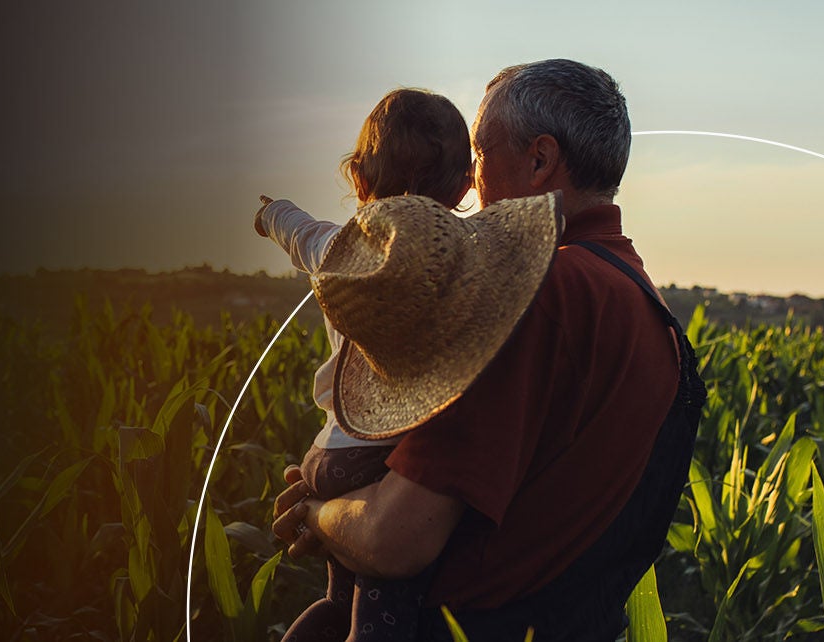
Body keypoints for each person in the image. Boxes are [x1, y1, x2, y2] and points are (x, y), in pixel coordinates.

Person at [271, 59, 705, 641]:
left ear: (539, 160)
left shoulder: (533, 295)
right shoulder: (644, 302)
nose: (470, 185)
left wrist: (320, 516)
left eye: (480, 152)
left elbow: (397, 538)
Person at [254, 87, 475, 642]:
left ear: (358, 178)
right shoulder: (465, 263)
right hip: (384, 462)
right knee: (380, 624)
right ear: (467, 184)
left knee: (337, 595)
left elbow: (295, 228)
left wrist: (269, 213)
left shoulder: (334, 250)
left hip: (330, 453)